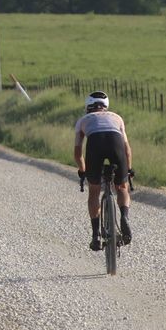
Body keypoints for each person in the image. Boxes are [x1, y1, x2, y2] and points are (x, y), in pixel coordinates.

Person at [73, 91, 134, 251]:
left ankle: (95, 236)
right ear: (106, 106)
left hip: (95, 144)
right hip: (116, 143)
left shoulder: (83, 120)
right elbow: (127, 150)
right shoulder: (117, 118)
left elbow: (77, 153)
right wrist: (127, 170)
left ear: (88, 107)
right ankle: (125, 217)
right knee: (121, 187)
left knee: (94, 191)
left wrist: (83, 170)